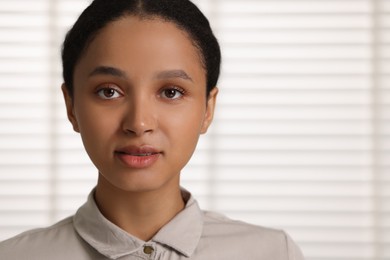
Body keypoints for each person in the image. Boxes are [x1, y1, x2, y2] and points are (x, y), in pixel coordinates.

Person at [0, 0, 305, 259]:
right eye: (109, 91)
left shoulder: (273, 252)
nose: (139, 123)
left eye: (171, 92)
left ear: (207, 109)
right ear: (71, 106)